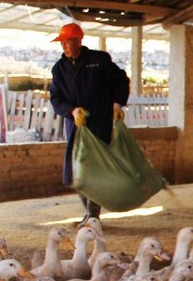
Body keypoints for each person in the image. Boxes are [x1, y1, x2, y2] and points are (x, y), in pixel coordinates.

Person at [48, 22, 131, 224]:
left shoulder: (99, 61)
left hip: (99, 122)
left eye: (68, 43)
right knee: (78, 170)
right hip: (76, 125)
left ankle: (93, 214)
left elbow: (121, 80)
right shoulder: (59, 69)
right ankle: (88, 212)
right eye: (62, 44)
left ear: (78, 41)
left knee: (95, 169)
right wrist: (72, 110)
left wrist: (118, 103)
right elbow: (56, 98)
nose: (65, 47)